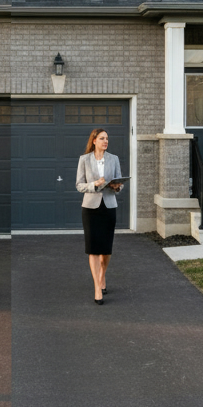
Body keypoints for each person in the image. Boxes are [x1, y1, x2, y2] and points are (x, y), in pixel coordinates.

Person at [76, 128, 122, 305]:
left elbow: (119, 182)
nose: (106, 141)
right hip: (90, 208)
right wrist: (94, 184)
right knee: (93, 248)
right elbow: (79, 185)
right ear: (94, 140)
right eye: (102, 138)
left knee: (106, 249)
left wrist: (117, 187)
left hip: (109, 206)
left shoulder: (114, 159)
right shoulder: (84, 160)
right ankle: (97, 287)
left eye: (107, 139)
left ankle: (103, 275)